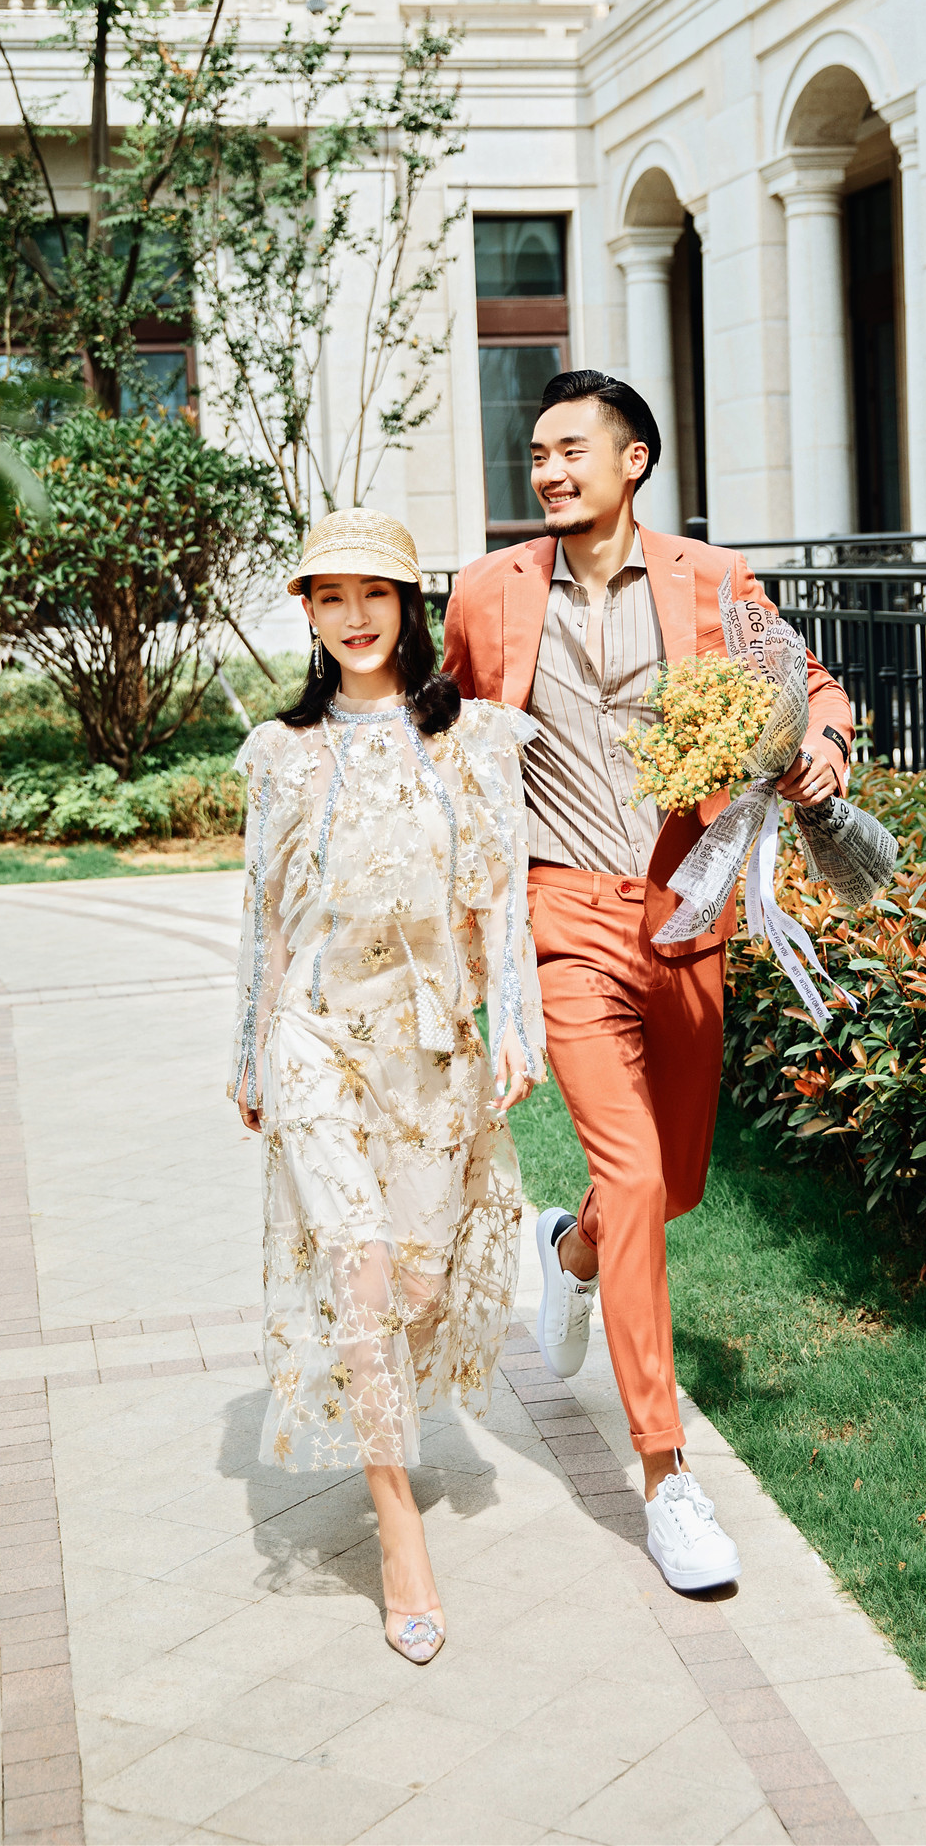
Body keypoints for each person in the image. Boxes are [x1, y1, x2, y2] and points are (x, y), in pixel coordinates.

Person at [441, 370, 852, 1592]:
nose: (548, 470)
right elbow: (444, 723)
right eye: (537, 453)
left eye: (572, 449)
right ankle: (667, 1479)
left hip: (684, 911)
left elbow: (811, 683)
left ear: (635, 462)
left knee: (667, 1186)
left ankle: (570, 1251)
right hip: (562, 915)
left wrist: (821, 746)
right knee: (630, 1170)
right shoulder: (488, 591)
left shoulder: (714, 582)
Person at [231, 507, 543, 1665]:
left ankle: (389, 1422)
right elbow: (262, 915)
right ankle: (398, 1525)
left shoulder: (477, 742)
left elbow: (501, 899)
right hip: (314, 1040)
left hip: (430, 1050)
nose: (353, 617)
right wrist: (248, 1049)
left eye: (374, 593)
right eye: (330, 596)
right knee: (357, 1266)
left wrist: (512, 1028)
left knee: (414, 1282)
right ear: (309, 613)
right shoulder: (279, 753)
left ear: (409, 605)